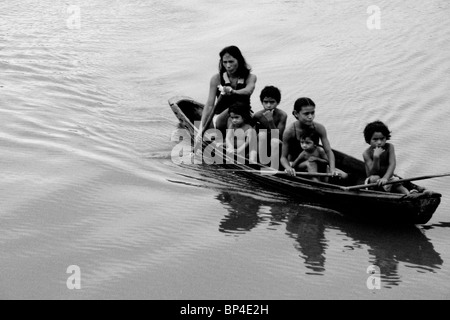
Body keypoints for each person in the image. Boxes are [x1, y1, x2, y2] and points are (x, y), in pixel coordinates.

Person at [198, 46, 257, 139]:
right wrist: (201, 128)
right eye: (225, 62)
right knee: (230, 112)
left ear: (239, 61)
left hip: (243, 116)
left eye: (231, 61)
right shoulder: (216, 78)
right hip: (221, 119)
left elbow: (248, 90)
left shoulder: (250, 77)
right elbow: (209, 105)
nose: (228, 66)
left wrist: (233, 91)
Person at [280, 97, 346, 179]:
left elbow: (328, 151)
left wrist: (332, 169)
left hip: (315, 159)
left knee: (344, 176)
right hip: (298, 164)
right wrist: (288, 168)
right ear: (296, 113)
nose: (310, 117)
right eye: (306, 114)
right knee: (310, 165)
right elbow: (283, 157)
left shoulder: (319, 128)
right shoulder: (290, 131)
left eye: (312, 113)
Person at [362, 120, 411, 195]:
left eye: (382, 138)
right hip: (373, 182)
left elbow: (392, 164)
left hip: (388, 178)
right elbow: (373, 172)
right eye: (375, 139)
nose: (379, 142)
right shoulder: (366, 153)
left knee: (400, 187)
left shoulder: (389, 147)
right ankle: (385, 194)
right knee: (375, 178)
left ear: (386, 137)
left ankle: (410, 195)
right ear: (369, 140)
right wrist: (376, 157)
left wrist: (385, 178)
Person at [253, 86, 287, 166]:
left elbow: (277, 136)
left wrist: (270, 121)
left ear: (277, 102)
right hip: (261, 144)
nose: (268, 105)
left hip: (276, 143)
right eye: (266, 102)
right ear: (262, 102)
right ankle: (261, 161)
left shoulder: (282, 115)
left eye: (272, 102)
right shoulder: (257, 116)